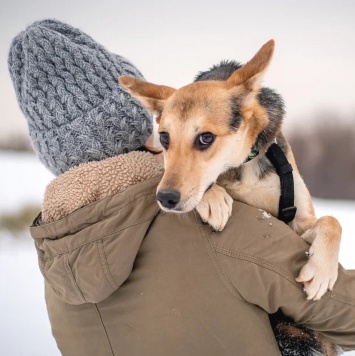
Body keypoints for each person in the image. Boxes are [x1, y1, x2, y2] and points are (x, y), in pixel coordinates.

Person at [8, 20, 355, 356]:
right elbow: (343, 311)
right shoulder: (223, 229)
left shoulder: (55, 266)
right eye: (163, 133)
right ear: (140, 124)